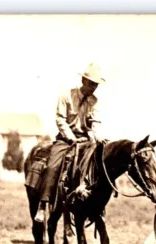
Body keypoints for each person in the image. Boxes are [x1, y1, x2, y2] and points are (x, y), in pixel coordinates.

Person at [34, 63, 105, 222]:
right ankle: (43, 204)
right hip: (66, 140)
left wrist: (97, 137)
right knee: (53, 166)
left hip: (86, 140)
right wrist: (71, 137)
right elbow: (60, 119)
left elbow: (95, 123)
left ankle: (96, 207)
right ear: (83, 80)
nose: (94, 87)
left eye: (96, 84)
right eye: (91, 83)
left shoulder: (95, 102)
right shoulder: (66, 95)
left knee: (100, 164)